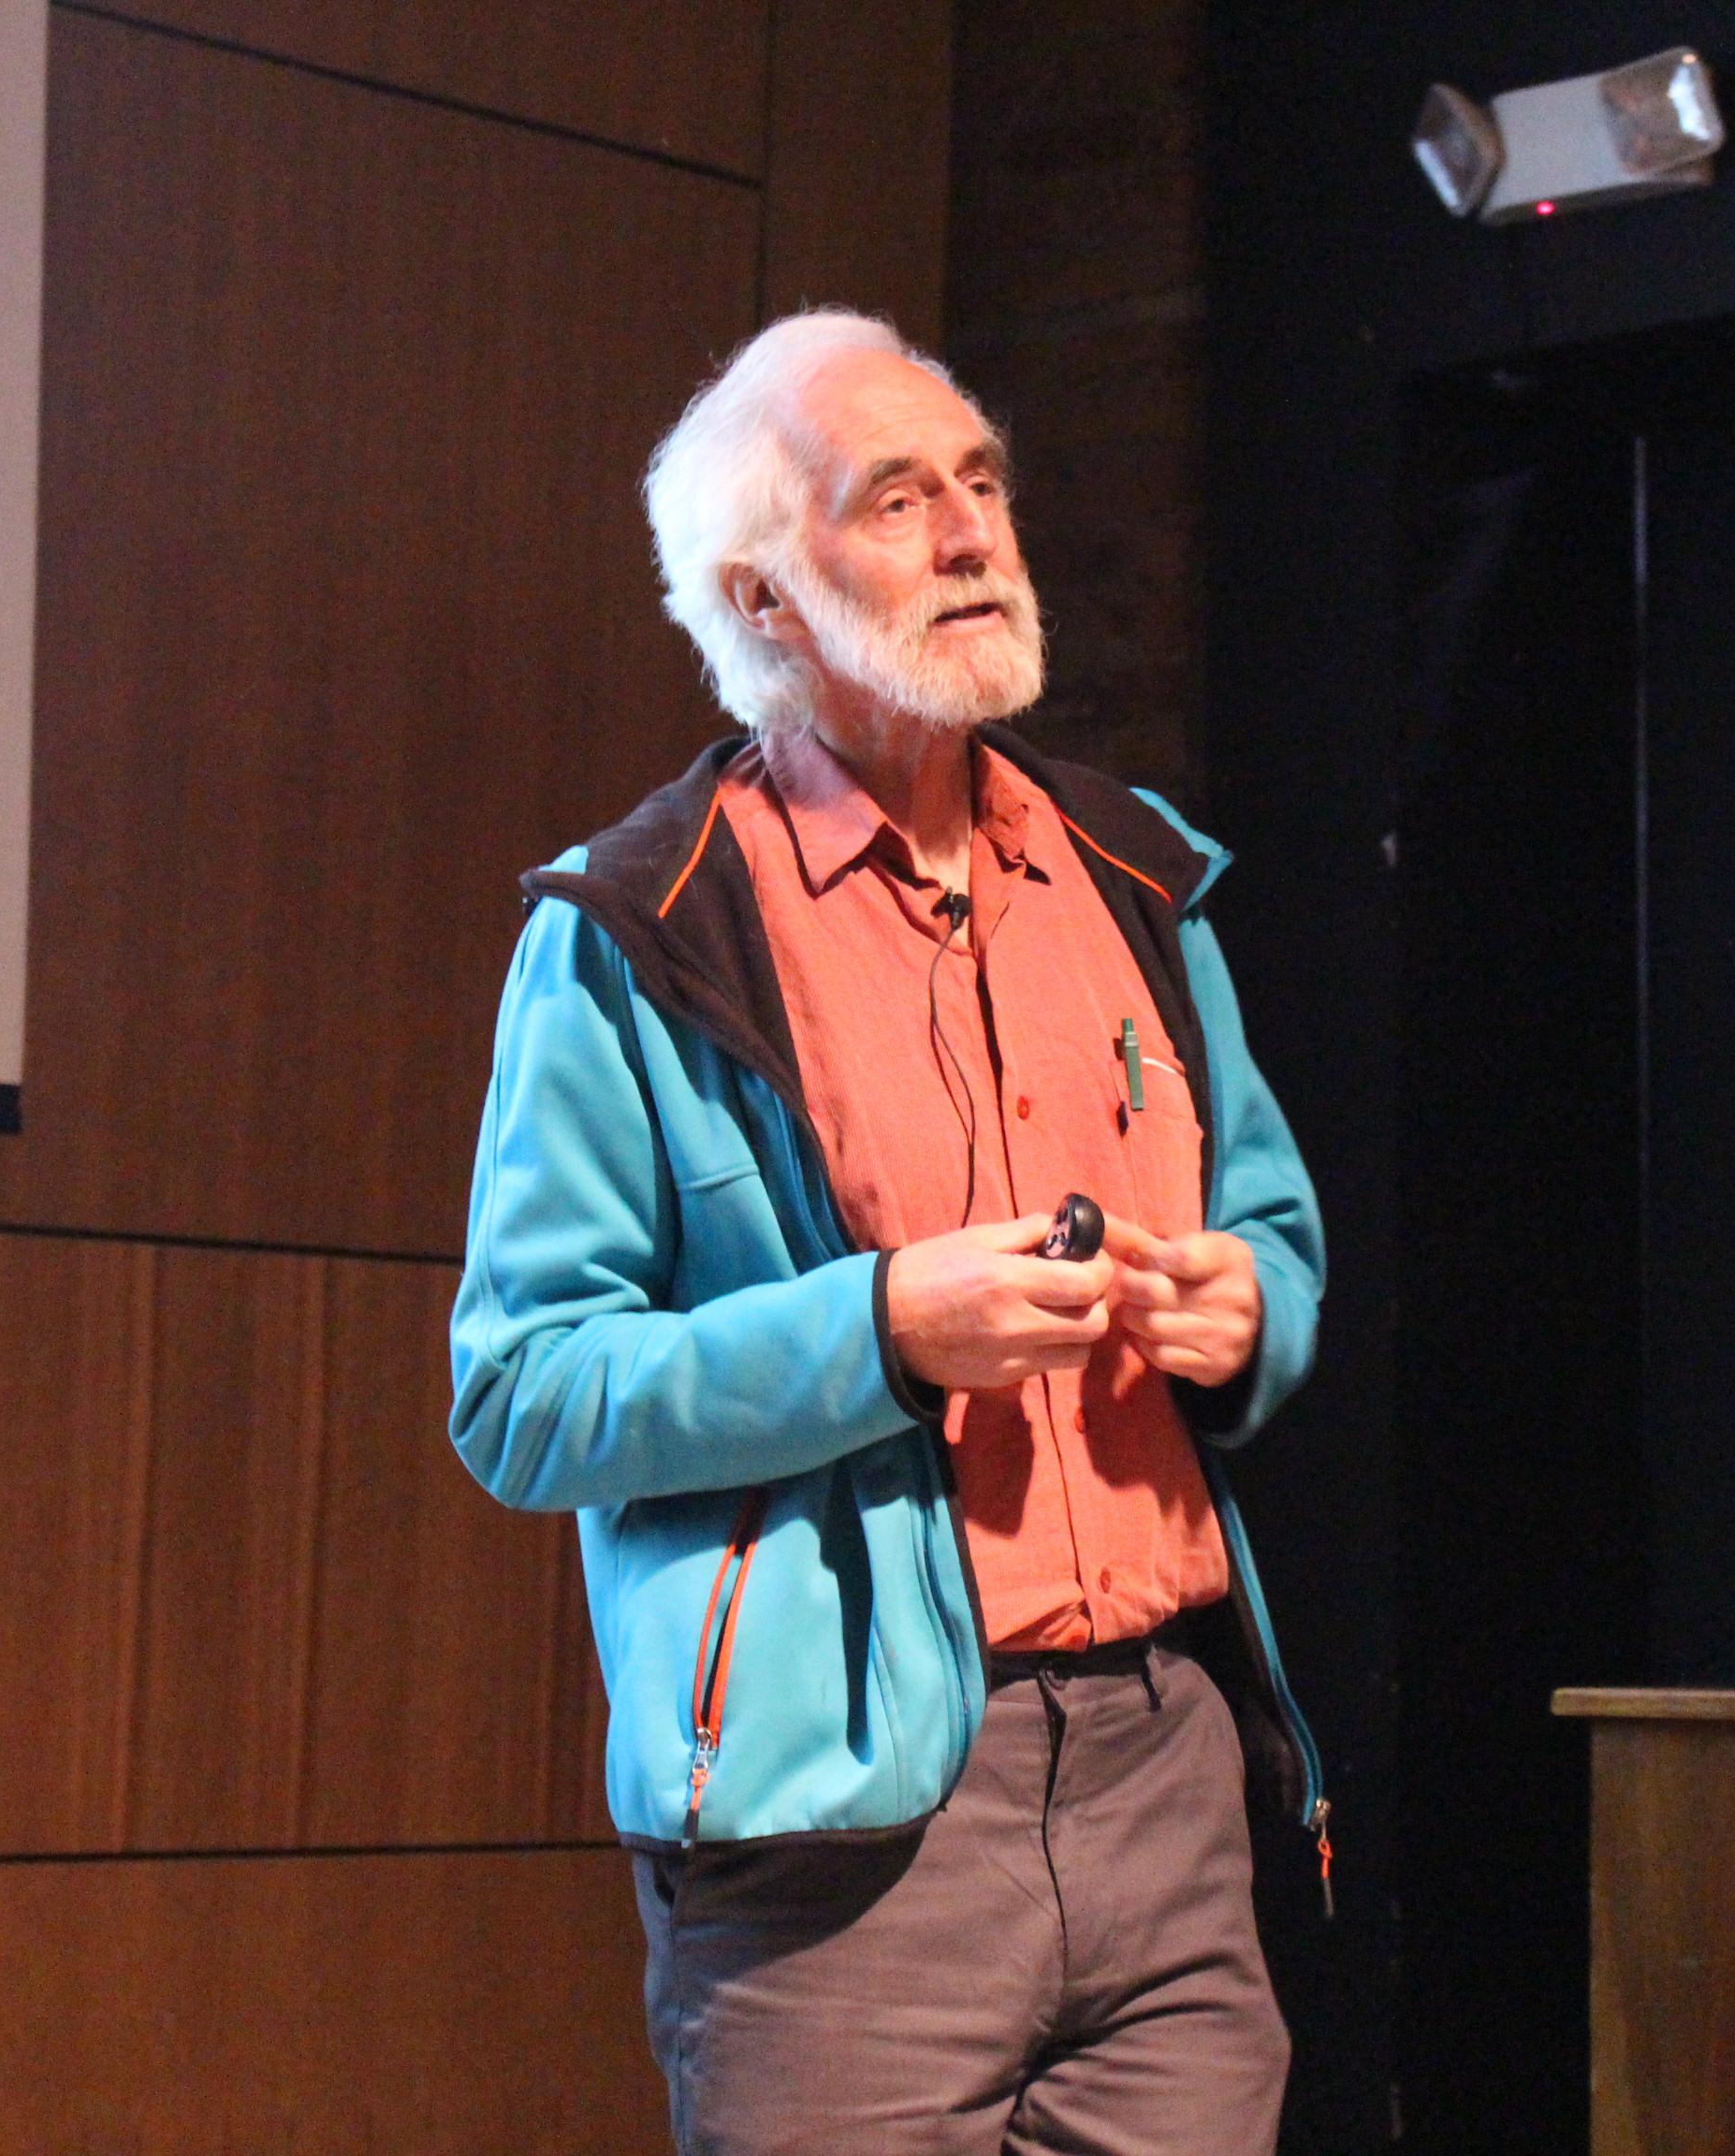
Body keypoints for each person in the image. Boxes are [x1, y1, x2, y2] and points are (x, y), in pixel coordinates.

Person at [449, 307, 1327, 2155]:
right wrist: (878, 1334)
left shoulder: (1139, 876)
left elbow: (1270, 1218)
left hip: (1169, 1780)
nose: (971, 535)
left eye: (985, 484)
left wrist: (1252, 1306)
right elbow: (525, 1395)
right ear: (764, 600)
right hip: (845, 1834)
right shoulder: (635, 933)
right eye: (901, 497)